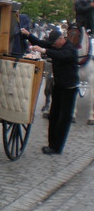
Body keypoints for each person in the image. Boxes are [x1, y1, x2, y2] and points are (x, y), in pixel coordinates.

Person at [21, 27, 78, 155]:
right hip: (58, 86)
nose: (52, 45)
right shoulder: (55, 46)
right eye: (51, 44)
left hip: (69, 89)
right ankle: (51, 144)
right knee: (53, 116)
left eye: (54, 43)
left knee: (64, 119)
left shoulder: (70, 49)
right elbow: (41, 43)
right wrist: (29, 35)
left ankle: (57, 148)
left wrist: (45, 50)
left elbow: (61, 56)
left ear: (61, 39)